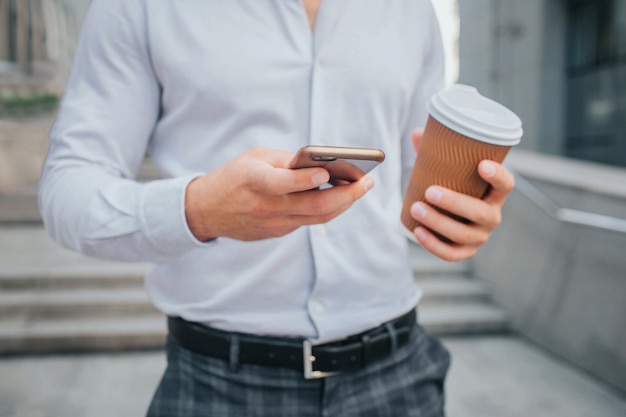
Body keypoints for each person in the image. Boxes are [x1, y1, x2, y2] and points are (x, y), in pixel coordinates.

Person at [38, 0, 515, 416]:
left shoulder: (411, 10)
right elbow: (67, 189)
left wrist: (455, 216)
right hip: (220, 385)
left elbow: (413, 185)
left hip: (398, 372)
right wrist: (198, 209)